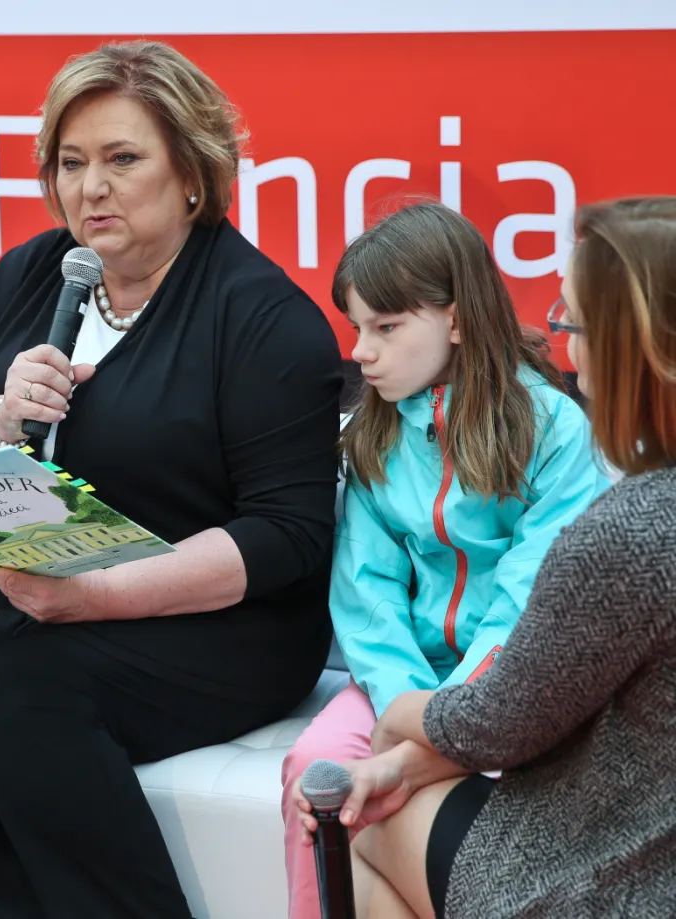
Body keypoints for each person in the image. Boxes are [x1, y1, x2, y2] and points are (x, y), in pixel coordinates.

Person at [0, 40, 344, 919]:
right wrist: (3, 412)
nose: (91, 188)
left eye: (122, 159)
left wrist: (96, 595)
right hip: (32, 594)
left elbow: (287, 537)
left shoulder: (264, 318)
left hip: (217, 622)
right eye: (71, 163)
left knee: (15, 704)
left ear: (193, 174)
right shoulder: (38, 269)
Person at [289, 196, 676, 917]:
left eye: (576, 324)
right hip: (433, 691)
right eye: (356, 327)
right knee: (321, 774)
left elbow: (515, 687)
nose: (565, 345)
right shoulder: (373, 434)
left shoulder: (592, 480)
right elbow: (367, 593)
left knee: (357, 818)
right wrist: (401, 697)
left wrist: (409, 726)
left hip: (544, 756)